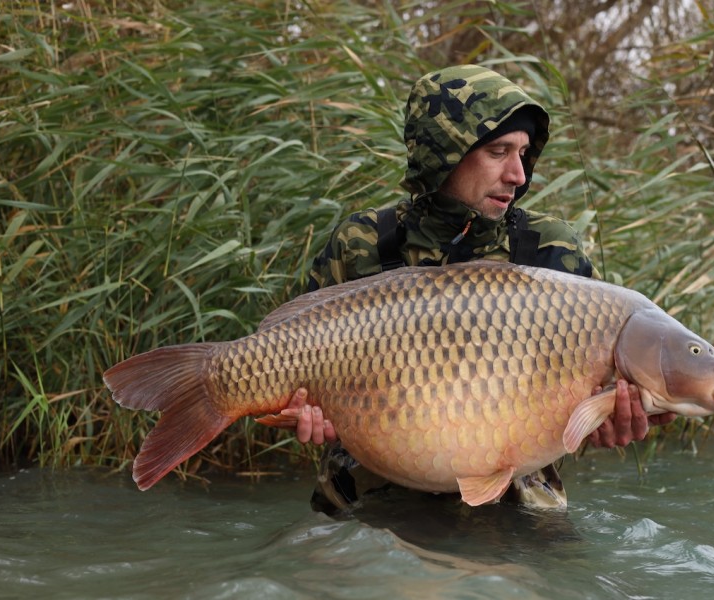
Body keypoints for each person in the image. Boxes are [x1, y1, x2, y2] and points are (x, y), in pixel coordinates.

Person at [266, 65, 675, 512]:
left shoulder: (550, 247)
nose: (518, 174)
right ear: (445, 152)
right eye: (499, 151)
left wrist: (606, 424)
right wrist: (306, 415)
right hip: (368, 501)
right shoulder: (363, 242)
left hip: (517, 510)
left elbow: (582, 407)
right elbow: (295, 384)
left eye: (523, 153)